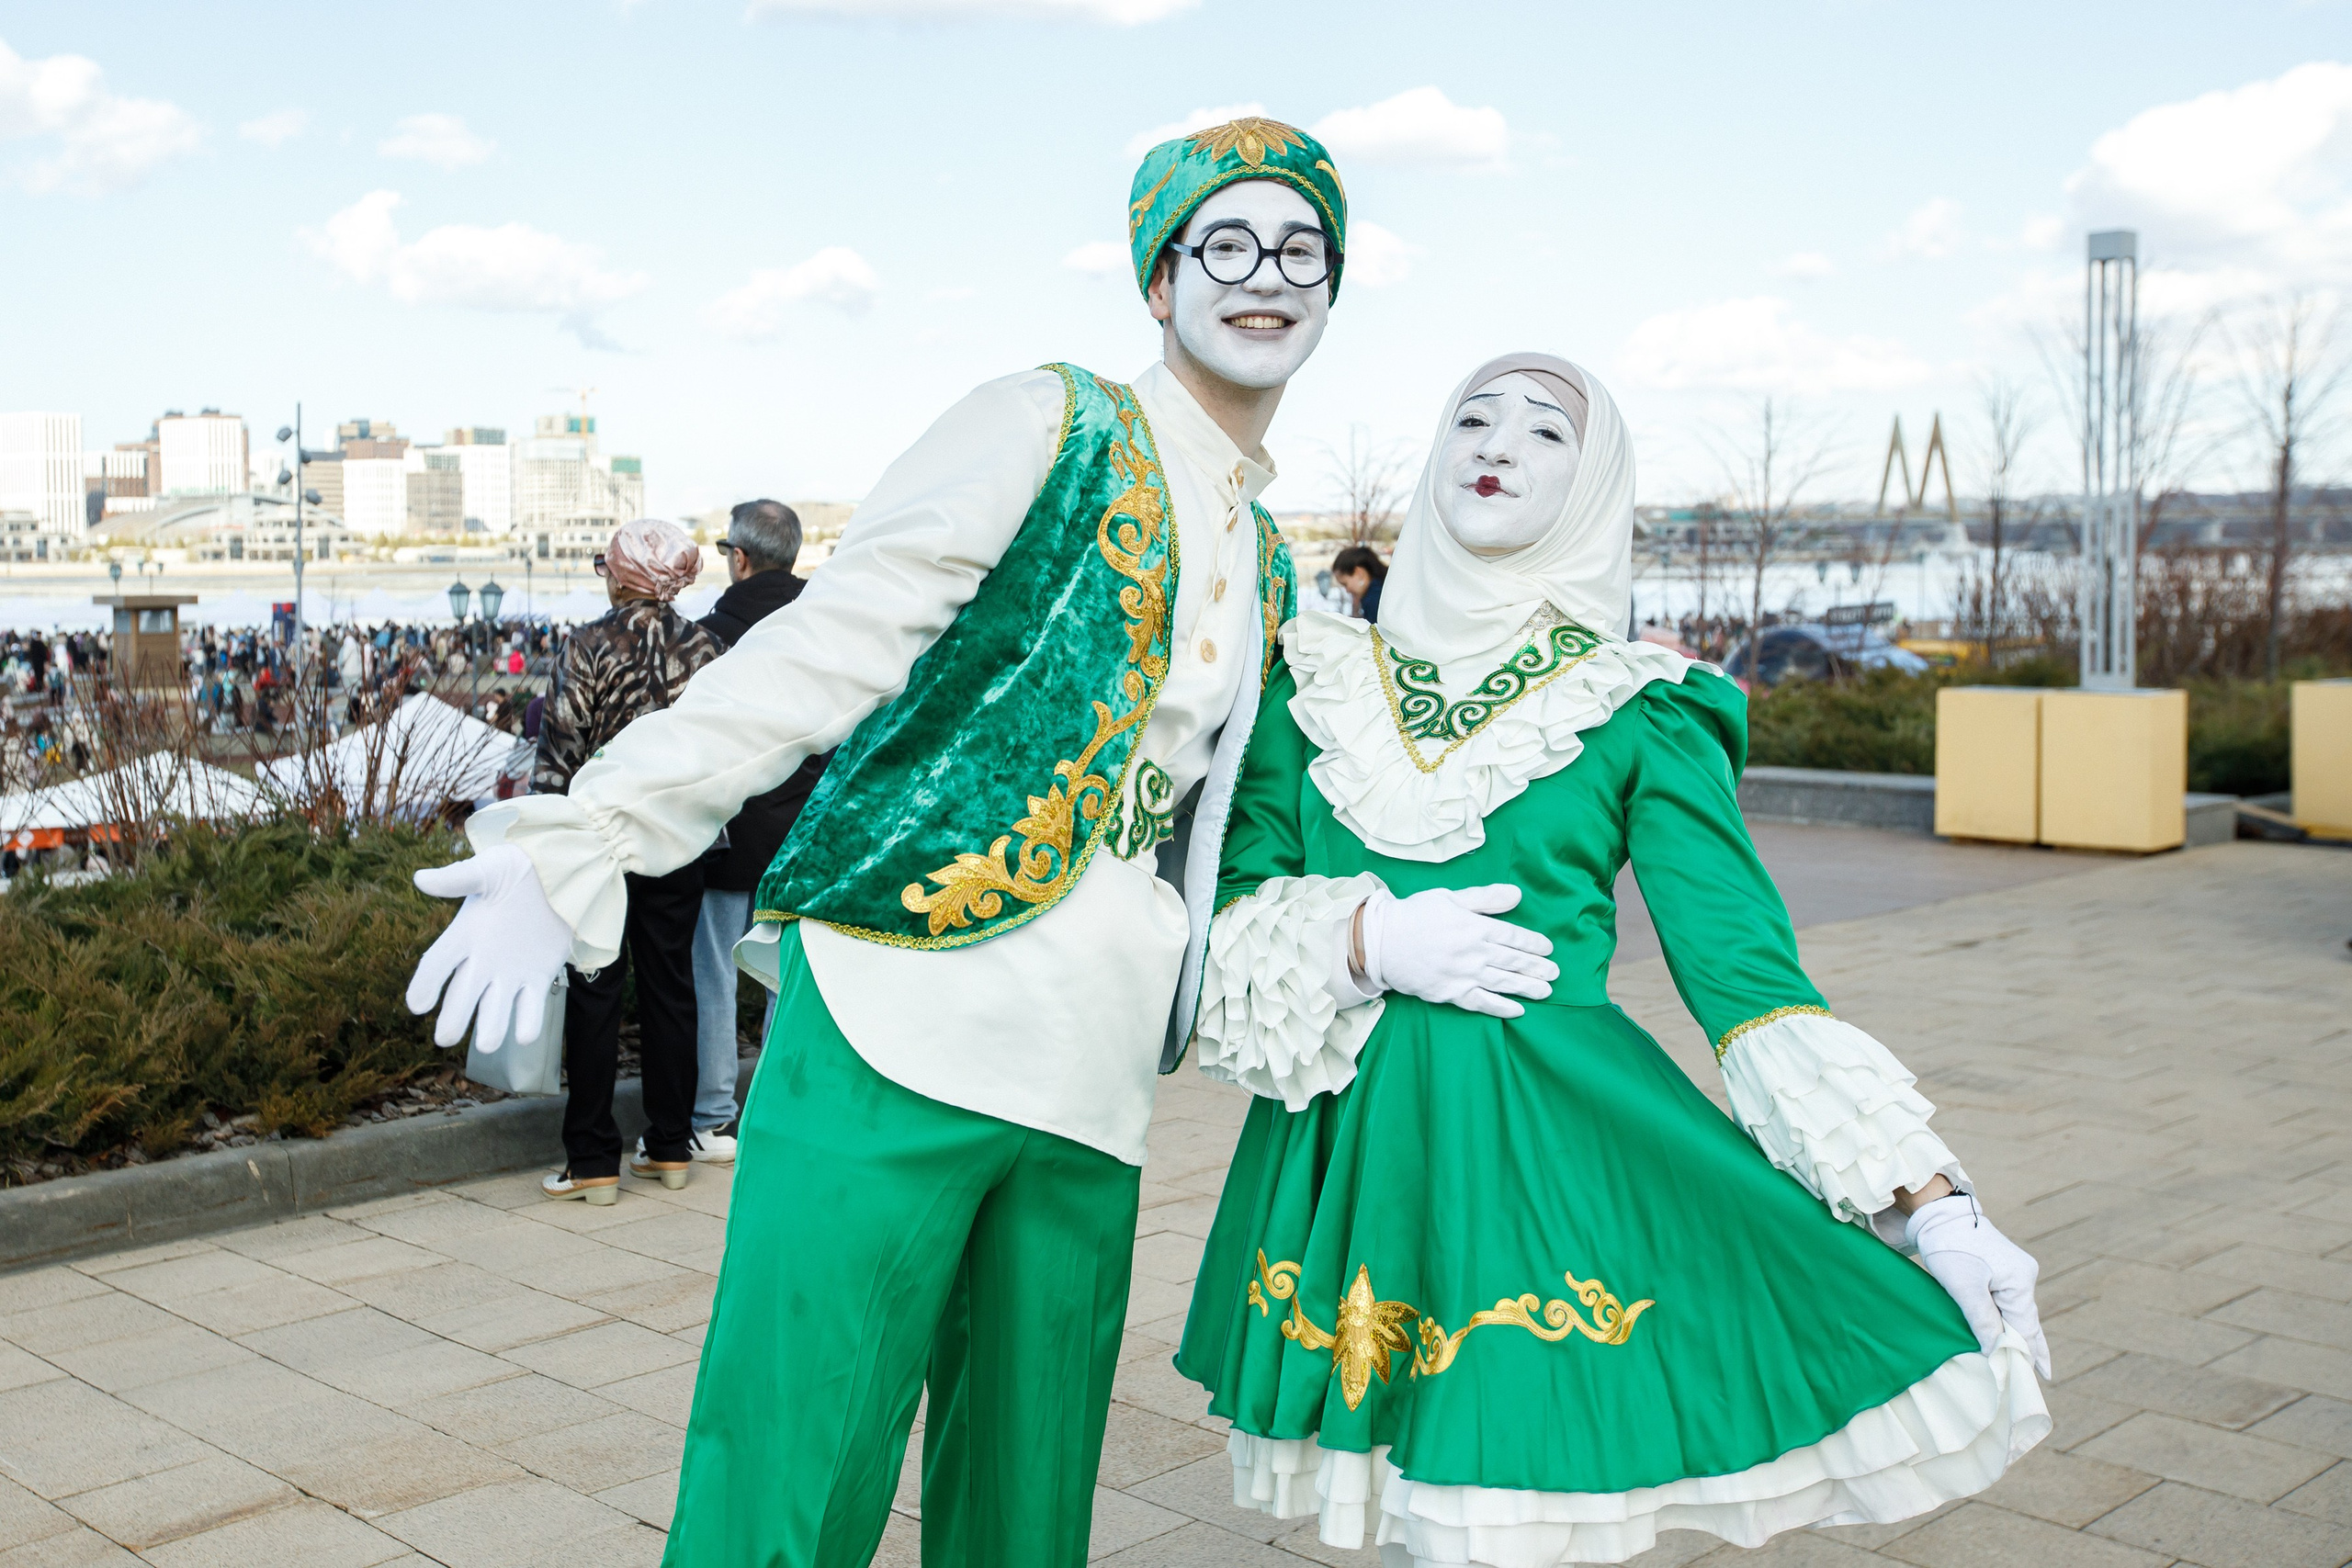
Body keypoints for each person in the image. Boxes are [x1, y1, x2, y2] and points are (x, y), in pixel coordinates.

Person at [403, 117, 1348, 1565]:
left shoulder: (1274, 555)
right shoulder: (1051, 418)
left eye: (1301, 247)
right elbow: (835, 643)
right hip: (905, 1001)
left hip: (1093, 1066)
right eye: (1227, 241)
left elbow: (1254, 820)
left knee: (1027, 1513)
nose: (1264, 274)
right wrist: (595, 828)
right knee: (789, 1473)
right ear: (1161, 280)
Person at [1175, 355, 2050, 1565]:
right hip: (1359, 1150)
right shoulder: (1311, 678)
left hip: (1556, 1154)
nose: (1498, 445)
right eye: (1472, 419)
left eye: (1547, 433)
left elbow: (1746, 975)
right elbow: (1225, 909)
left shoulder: (1640, 706)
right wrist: (1365, 940)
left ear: (1593, 489)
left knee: (1513, 1513)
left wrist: (1931, 1199)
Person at [496, 518, 722, 1205]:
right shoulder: (708, 646)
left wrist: (540, 836)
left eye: (607, 563)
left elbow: (558, 749)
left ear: (622, 574)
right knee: (670, 986)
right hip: (679, 836)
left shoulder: (588, 643)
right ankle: (669, 1144)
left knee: (595, 989)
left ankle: (593, 1158)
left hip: (599, 837)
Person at [666, 499, 831, 1166]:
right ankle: (777, 1104)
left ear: (738, 557)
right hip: (804, 823)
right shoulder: (826, 623)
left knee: (713, 975)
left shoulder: (711, 634)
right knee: (784, 978)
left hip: (734, 826)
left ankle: (711, 1115)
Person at [1332, 543, 1386, 622]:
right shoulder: (1384, 588)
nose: (1347, 590)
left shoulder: (1374, 600)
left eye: (1345, 584)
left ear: (1359, 573)